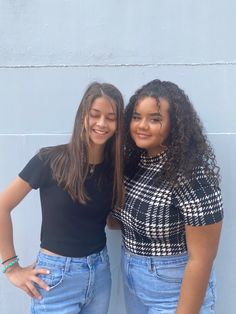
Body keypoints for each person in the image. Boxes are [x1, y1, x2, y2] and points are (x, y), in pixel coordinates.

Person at [0, 82, 124, 314]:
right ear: (82, 116)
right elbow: (2, 206)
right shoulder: (49, 160)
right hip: (56, 278)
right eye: (95, 115)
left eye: (111, 117)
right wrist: (11, 268)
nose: (101, 123)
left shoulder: (114, 168)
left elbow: (108, 219)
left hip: (100, 273)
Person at [110, 79, 223, 314]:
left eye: (155, 119)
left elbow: (201, 261)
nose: (142, 125)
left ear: (176, 125)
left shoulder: (192, 177)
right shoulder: (135, 165)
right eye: (137, 117)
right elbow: (117, 221)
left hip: (174, 294)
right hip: (135, 285)